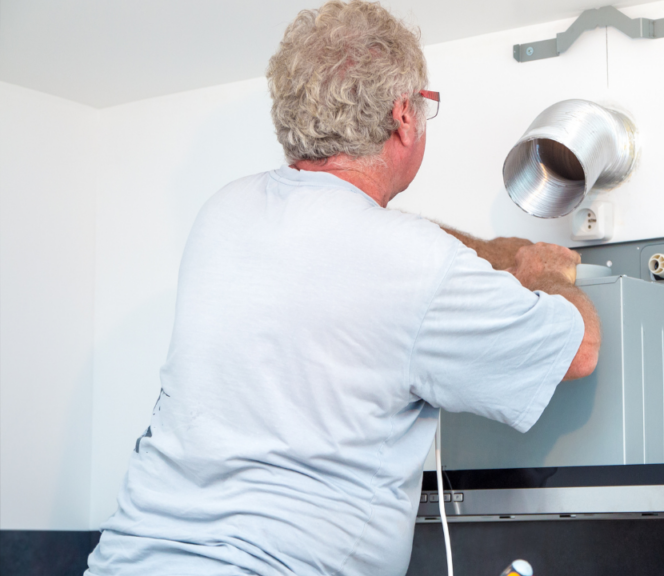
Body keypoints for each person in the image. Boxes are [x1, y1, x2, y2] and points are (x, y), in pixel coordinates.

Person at [84, 1, 600, 575]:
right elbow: (579, 352)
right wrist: (546, 274)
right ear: (404, 116)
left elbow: (353, 238)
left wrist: (489, 255)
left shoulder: (225, 212)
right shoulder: (418, 265)